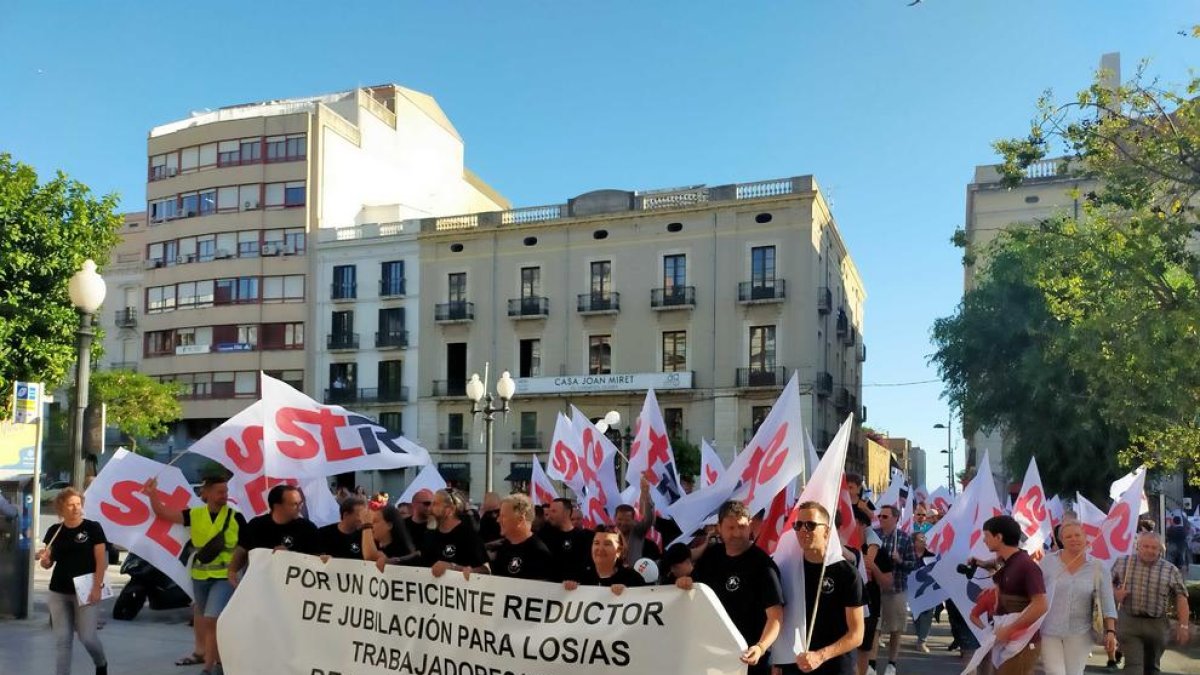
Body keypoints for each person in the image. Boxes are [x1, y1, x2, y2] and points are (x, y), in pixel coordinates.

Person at [144, 475, 245, 675]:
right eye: (219, 492)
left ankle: (210, 666)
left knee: (212, 618)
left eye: (226, 492)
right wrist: (152, 493)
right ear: (205, 493)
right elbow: (163, 513)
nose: (224, 496)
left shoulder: (236, 517)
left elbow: (246, 546)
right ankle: (210, 658)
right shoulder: (195, 514)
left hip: (225, 576)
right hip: (200, 576)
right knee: (203, 616)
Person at [676, 500, 783, 675]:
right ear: (719, 528)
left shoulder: (764, 565)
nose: (737, 533)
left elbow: (776, 617)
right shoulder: (711, 557)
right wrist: (683, 584)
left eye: (741, 527)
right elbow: (694, 593)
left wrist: (761, 647)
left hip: (748, 660)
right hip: (711, 658)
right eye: (730, 528)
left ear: (749, 526)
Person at [777, 501, 865, 675]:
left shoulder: (847, 573)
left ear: (827, 531)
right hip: (796, 663)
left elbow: (857, 634)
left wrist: (820, 655)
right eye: (798, 525)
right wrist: (778, 662)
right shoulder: (787, 569)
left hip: (835, 666)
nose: (803, 530)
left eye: (810, 525)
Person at [38, 488, 108, 675]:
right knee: (62, 641)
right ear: (61, 508)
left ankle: (101, 663)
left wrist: (97, 587)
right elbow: (48, 562)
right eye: (71, 505)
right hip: (58, 591)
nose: (76, 508)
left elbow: (101, 559)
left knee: (87, 637)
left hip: (85, 590)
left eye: (78, 504)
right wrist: (45, 561)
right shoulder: (55, 531)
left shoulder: (93, 528)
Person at [969, 515, 1049, 675]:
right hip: (1009, 639)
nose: (984, 541)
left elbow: (1041, 605)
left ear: (999, 537)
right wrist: (982, 564)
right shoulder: (1009, 562)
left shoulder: (1026, 566)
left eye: (986, 536)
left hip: (1023, 642)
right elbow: (997, 567)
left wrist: (1010, 629)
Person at [1038, 521, 1117, 675]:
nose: (1073, 539)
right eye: (1068, 536)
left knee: (1074, 672)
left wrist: (1111, 632)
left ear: (1085, 537)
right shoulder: (1047, 563)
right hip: (1049, 630)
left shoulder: (1098, 567)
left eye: (1077, 535)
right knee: (1055, 673)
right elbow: (1036, 593)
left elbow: (1108, 603)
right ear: (1061, 540)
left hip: (1080, 632)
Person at [1112, 532, 1191, 674]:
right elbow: (1106, 586)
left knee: (1152, 668)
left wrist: (1183, 625)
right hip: (1129, 621)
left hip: (1157, 624)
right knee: (1133, 667)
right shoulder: (1123, 562)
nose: (1150, 550)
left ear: (1161, 549)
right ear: (1138, 546)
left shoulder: (1170, 569)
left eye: (1154, 547)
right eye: (1146, 546)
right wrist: (1115, 593)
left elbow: (1181, 597)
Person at [228, 484, 318, 585]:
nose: (299, 507)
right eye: (294, 504)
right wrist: (232, 571)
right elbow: (242, 550)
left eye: (300, 503)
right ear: (278, 506)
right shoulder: (256, 525)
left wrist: (291, 556)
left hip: (295, 585)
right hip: (261, 584)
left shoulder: (308, 528)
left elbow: (318, 558)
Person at [872, 504, 916, 675]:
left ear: (896, 519)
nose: (880, 519)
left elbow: (912, 565)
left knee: (895, 628)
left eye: (885, 516)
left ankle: (892, 663)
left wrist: (900, 561)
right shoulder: (873, 536)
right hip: (875, 590)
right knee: (874, 627)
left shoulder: (905, 539)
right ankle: (872, 663)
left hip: (896, 590)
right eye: (880, 516)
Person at [423, 489, 489, 576]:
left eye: (435, 504)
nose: (430, 509)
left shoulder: (468, 536)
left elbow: (486, 570)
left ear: (450, 510)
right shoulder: (429, 535)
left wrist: (453, 567)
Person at [489, 494, 554, 581]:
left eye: (503, 516)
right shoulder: (504, 547)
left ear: (520, 520)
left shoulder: (538, 553)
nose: (498, 520)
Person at [563, 527, 646, 594]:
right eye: (596, 543)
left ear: (619, 550)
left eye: (607, 544)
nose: (600, 549)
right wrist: (565, 590)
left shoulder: (633, 579)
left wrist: (628, 594)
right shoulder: (578, 577)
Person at [539, 497, 594, 581]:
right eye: (549, 512)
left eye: (554, 511)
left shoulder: (583, 537)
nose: (550, 515)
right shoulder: (544, 535)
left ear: (566, 513)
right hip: (549, 589)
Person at [614, 477, 659, 566]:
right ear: (615, 518)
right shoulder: (609, 532)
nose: (623, 523)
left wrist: (646, 495)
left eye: (627, 520)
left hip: (633, 574)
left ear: (633, 520)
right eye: (619, 519)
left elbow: (648, 520)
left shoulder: (638, 531)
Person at [361, 504, 417, 571]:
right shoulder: (372, 544)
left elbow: (370, 556)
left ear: (389, 525)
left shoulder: (401, 551)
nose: (371, 526)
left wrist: (366, 525)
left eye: (374, 522)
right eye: (370, 522)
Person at [316, 495, 370, 560]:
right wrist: (319, 558)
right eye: (359, 515)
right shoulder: (323, 534)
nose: (362, 519)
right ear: (346, 515)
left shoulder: (366, 536)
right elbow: (311, 558)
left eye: (365, 515)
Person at [911, 532, 937, 655]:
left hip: (929, 590)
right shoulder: (909, 554)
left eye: (925, 538)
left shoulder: (932, 555)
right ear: (914, 542)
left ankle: (922, 641)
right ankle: (919, 635)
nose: (924, 540)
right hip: (914, 591)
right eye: (921, 538)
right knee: (916, 614)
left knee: (927, 614)